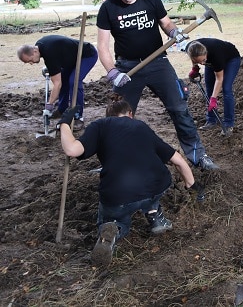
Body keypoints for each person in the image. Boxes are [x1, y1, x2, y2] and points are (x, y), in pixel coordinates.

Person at [96, 0, 218, 170]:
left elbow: (166, 23)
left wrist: (174, 33)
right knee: (117, 115)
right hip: (127, 67)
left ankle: (198, 156)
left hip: (157, 63)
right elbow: (102, 46)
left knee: (179, 108)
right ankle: (111, 161)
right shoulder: (108, 8)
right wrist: (112, 72)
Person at [57, 101, 204, 267]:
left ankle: (114, 229)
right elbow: (176, 159)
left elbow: (72, 150)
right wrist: (191, 185)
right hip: (156, 186)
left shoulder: (100, 126)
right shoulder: (140, 126)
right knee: (151, 187)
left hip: (119, 195)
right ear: (130, 114)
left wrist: (64, 124)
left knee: (114, 217)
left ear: (108, 117)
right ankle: (155, 216)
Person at [17, 35, 98, 129]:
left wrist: (49, 105)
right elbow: (56, 59)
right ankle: (62, 109)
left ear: (34, 51)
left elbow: (57, 84)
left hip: (86, 55)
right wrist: (52, 69)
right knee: (64, 80)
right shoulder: (39, 46)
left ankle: (78, 117)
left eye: (30, 60)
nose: (31, 63)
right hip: (71, 59)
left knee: (74, 82)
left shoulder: (48, 53)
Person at [186, 38, 241, 137]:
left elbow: (219, 79)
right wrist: (195, 68)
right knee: (209, 88)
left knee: (226, 88)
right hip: (211, 60)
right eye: (199, 62)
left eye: (203, 60)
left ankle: (229, 123)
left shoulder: (216, 55)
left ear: (206, 53)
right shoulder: (190, 48)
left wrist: (214, 99)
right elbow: (194, 59)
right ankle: (211, 120)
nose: (202, 64)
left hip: (231, 59)